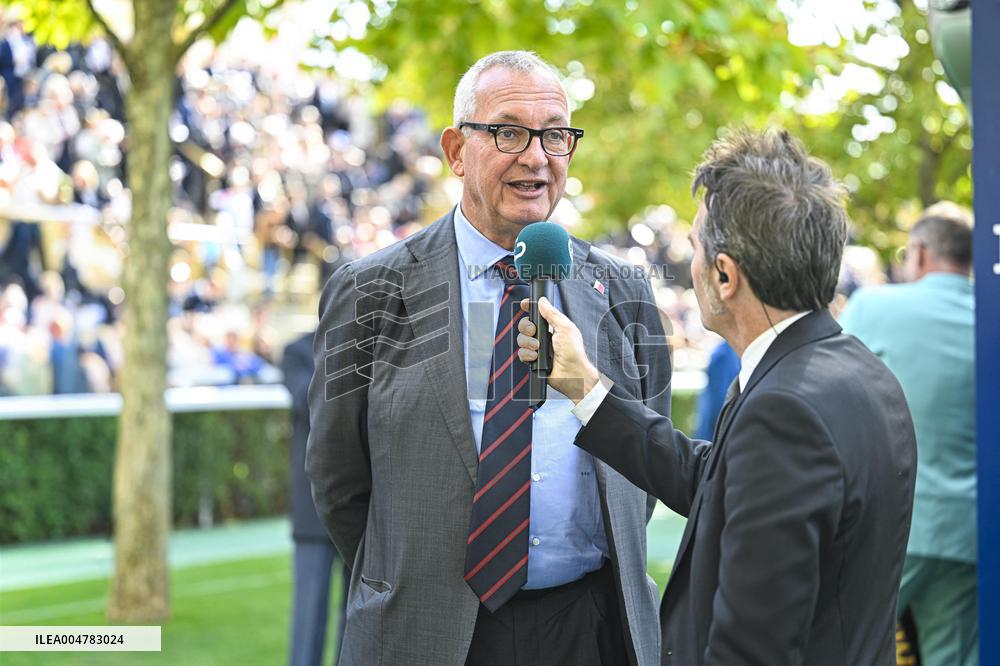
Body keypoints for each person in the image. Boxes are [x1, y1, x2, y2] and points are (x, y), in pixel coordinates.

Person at [306, 51, 670, 665]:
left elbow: (644, 452)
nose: (536, 156)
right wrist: (407, 579)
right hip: (430, 632)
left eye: (555, 134)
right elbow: (339, 480)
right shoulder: (369, 292)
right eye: (508, 132)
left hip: (592, 627)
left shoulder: (624, 289)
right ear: (455, 150)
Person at [516, 128, 917, 665]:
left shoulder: (784, 410)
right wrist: (586, 388)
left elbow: (752, 646)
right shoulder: (853, 370)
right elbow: (716, 483)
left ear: (725, 275)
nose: (692, 262)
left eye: (696, 248)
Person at [840, 203, 977, 666]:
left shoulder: (876, 306)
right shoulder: (988, 319)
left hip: (888, 524)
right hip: (966, 531)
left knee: (847, 647)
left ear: (919, 252)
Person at [282, 332, 349, 666]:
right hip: (312, 512)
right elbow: (308, 401)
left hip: (359, 509)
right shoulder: (296, 351)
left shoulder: (372, 344)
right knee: (308, 623)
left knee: (356, 626)